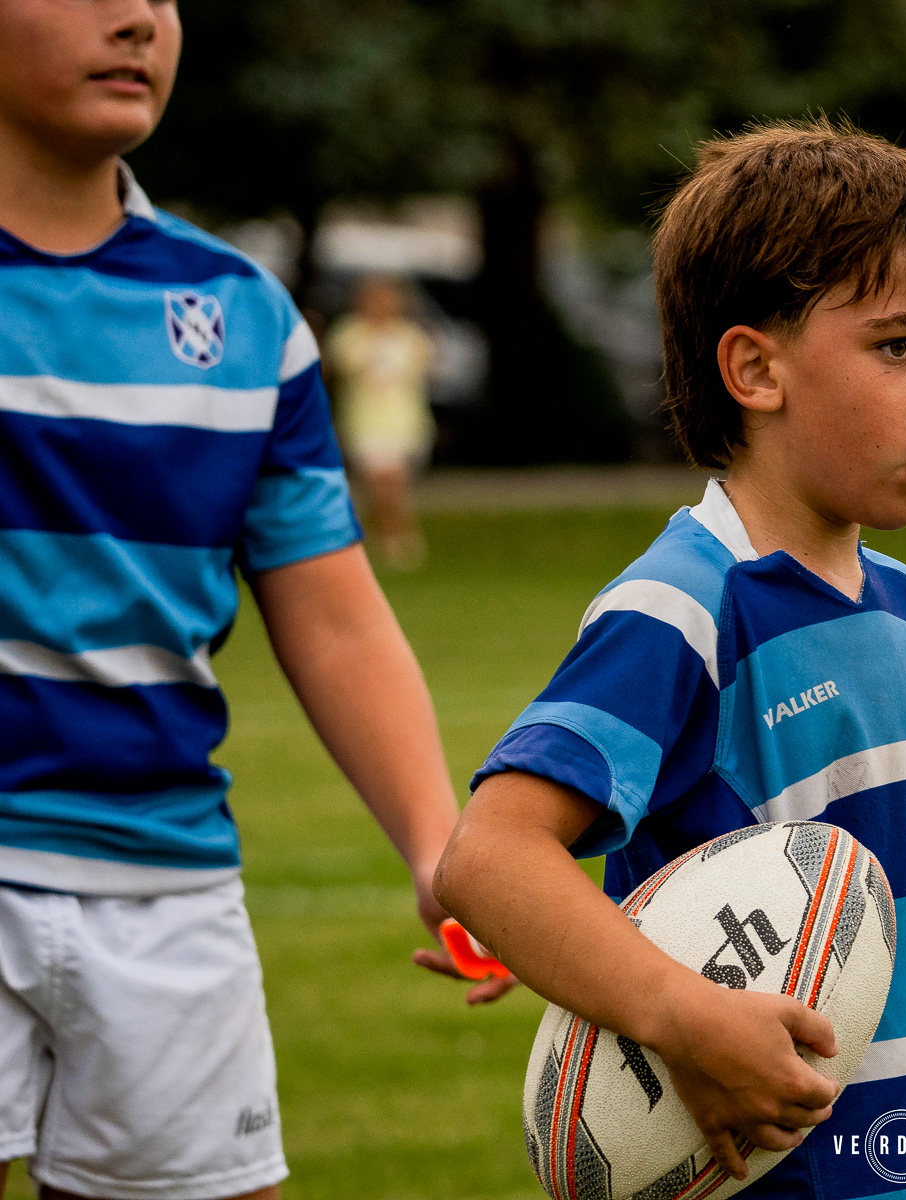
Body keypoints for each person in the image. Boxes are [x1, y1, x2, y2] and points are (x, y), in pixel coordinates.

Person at [433, 119, 906, 1200]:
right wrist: (685, 1016)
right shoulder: (684, 611)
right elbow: (490, 857)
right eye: (896, 344)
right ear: (754, 368)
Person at [0, 3, 507, 1198]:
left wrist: (439, 845)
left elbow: (332, 616)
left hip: (171, 888)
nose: (137, 19)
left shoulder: (242, 317)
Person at [325, 275, 436, 568]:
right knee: (378, 480)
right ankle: (394, 535)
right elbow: (343, 367)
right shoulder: (350, 334)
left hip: (402, 420)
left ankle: (391, 533)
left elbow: (423, 367)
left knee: (395, 481)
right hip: (365, 420)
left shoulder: (409, 336)